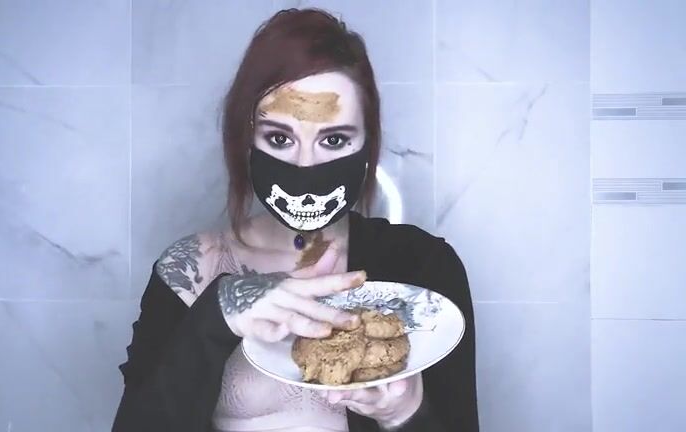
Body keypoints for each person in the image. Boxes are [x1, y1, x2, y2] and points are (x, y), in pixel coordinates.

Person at [112, 8, 479, 432]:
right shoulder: (190, 268)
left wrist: (405, 414)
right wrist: (218, 314)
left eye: (334, 139)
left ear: (367, 143)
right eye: (279, 138)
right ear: (246, 140)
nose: (305, 166)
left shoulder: (422, 267)